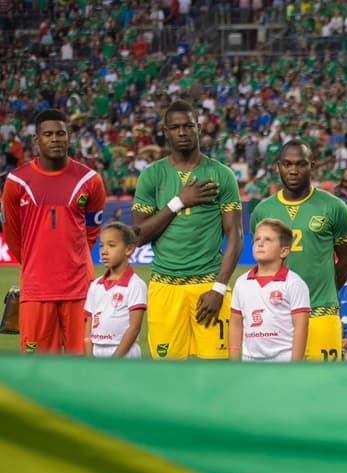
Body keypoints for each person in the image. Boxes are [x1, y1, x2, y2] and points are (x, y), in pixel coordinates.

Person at [131, 100, 243, 359]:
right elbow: (137, 236)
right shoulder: (152, 175)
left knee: (215, 371)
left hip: (208, 286)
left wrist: (218, 288)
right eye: (175, 127)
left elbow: (235, 237)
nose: (182, 132)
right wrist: (179, 201)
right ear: (165, 131)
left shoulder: (221, 174)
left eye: (188, 126)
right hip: (165, 287)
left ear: (199, 128)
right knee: (168, 375)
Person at [1, 107, 106, 354]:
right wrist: (36, 265)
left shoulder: (90, 180)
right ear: (37, 139)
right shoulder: (16, 181)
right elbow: (14, 235)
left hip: (79, 290)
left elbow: (91, 231)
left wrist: (71, 260)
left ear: (69, 136)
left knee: (79, 366)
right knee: (38, 369)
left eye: (61, 133)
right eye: (48, 134)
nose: (55, 139)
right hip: (36, 290)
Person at [251, 140, 347, 361]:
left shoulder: (334, 207)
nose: (293, 170)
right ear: (278, 166)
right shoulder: (263, 211)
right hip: (275, 316)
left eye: (301, 164)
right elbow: (261, 261)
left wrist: (325, 291)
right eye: (287, 164)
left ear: (312, 166)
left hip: (321, 315)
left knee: (325, 387)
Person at [228, 218, 310, 362]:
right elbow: (235, 322)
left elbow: (301, 326)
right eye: (257, 239)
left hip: (283, 361)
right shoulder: (241, 282)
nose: (260, 243)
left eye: (268, 240)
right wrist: (234, 359)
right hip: (250, 361)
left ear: (284, 251)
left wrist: (295, 365)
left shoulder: (294, 283)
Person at [82, 222, 146, 358]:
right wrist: (89, 357)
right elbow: (89, 321)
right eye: (101, 245)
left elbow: (134, 328)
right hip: (97, 351)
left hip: (124, 354)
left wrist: (114, 360)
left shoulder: (135, 284)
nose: (104, 251)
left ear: (128, 249)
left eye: (111, 245)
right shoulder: (96, 285)